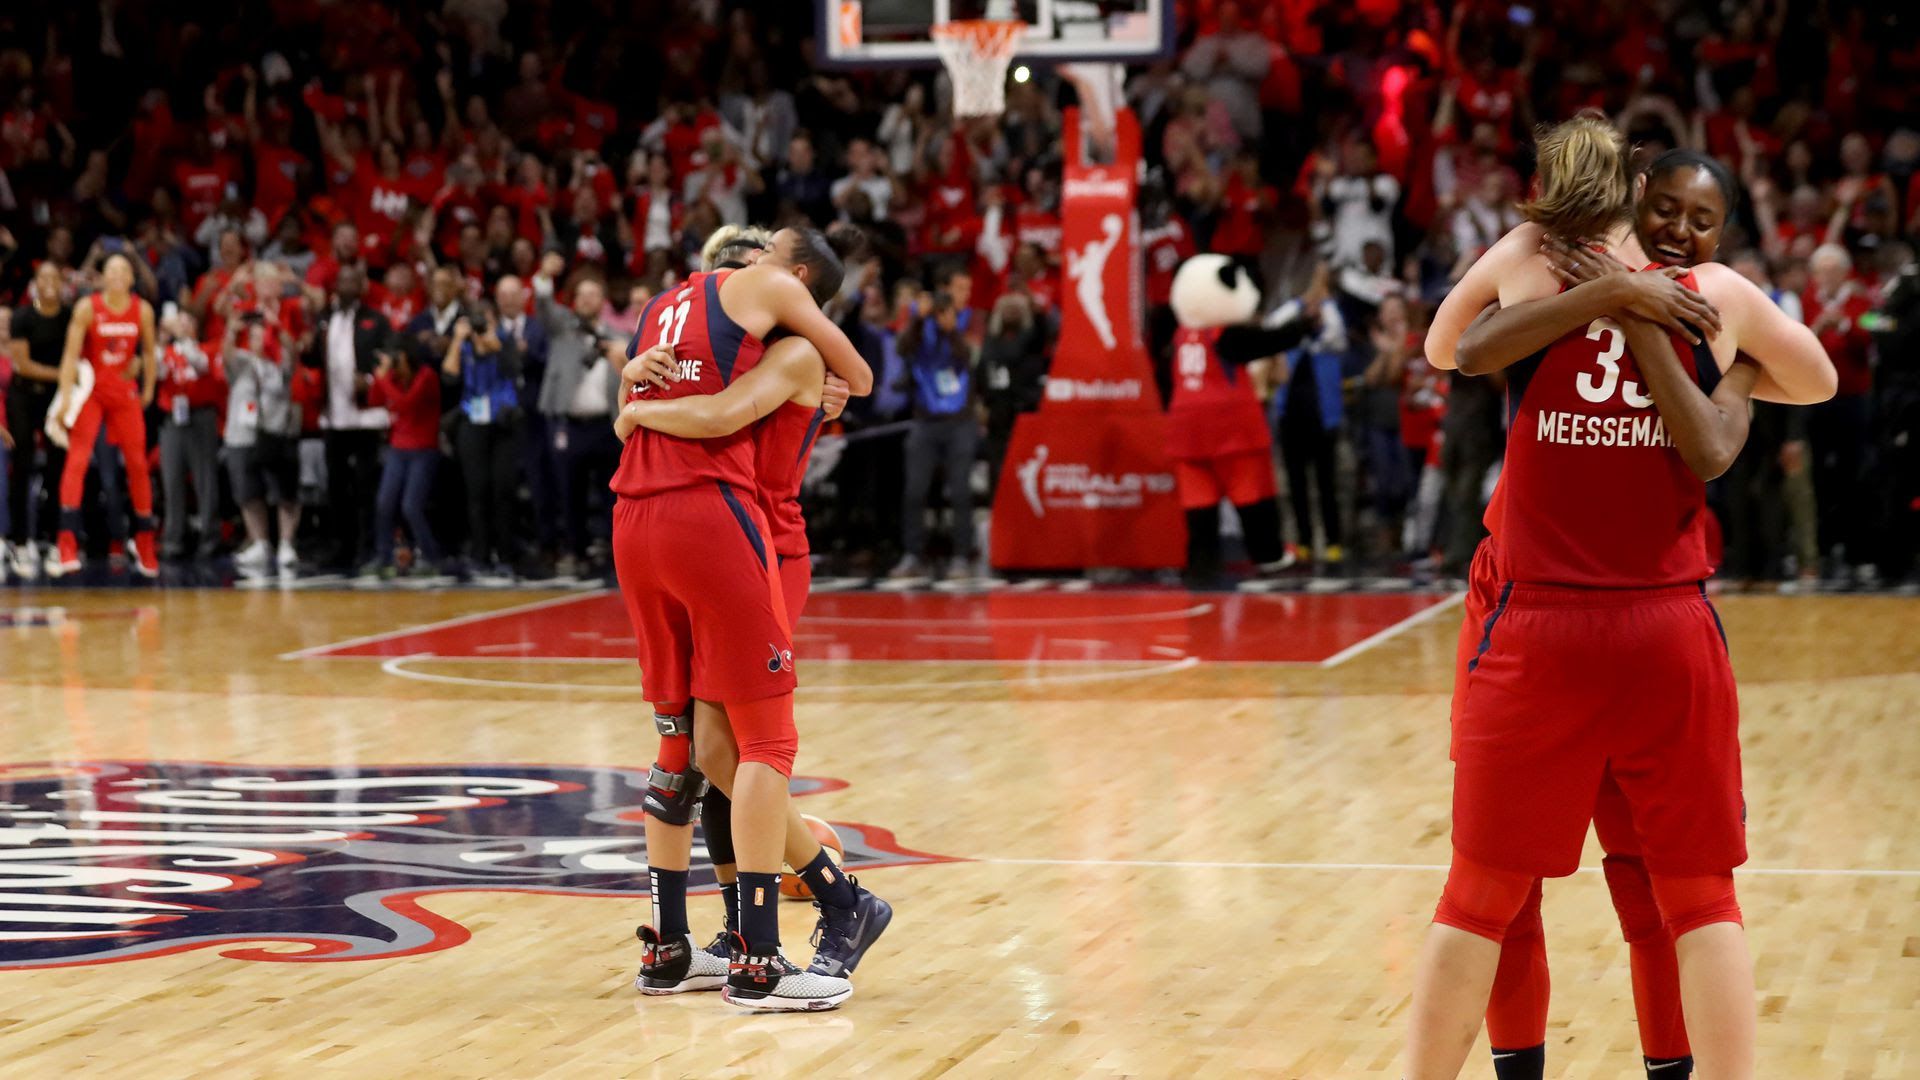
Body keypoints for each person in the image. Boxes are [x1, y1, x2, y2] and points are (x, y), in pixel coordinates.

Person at [1408, 122, 1835, 1080]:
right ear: (1641, 193)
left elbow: (1448, 347)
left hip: (1536, 619)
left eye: (1699, 217)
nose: (1681, 227)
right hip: (1663, 627)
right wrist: (1742, 376)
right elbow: (1821, 377)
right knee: (1693, 896)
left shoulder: (1529, 260)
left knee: (1487, 892)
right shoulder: (1717, 296)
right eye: (1673, 210)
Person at [607, 225, 872, 1011]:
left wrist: (636, 409)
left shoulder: (792, 354)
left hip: (767, 544)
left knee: (734, 746)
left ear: (785, 282)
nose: (733, 277)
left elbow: (726, 414)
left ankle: (795, 912)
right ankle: (760, 921)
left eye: (755, 259)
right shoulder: (720, 334)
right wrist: (633, 384)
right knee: (708, 747)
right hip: (713, 530)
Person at [46, 253, 158, 577]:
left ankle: (145, 540)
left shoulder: (143, 310)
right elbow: (70, 356)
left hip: (124, 394)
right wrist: (66, 398)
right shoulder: (87, 308)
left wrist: (148, 386)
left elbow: (148, 352)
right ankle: (66, 542)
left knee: (137, 464)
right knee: (77, 460)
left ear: (132, 278)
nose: (118, 275)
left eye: (124, 269)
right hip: (93, 393)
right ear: (102, 277)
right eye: (112, 270)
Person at [305, 267, 397, 575]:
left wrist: (370, 380)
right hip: (334, 417)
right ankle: (340, 548)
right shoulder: (325, 319)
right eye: (340, 280)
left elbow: (392, 358)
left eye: (351, 281)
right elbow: (313, 358)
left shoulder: (376, 319)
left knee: (364, 486)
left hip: (367, 417)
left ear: (362, 286)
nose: (344, 285)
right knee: (336, 487)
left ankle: (367, 547)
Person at [890, 287, 980, 581]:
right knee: (914, 491)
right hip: (925, 422)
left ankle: (961, 557)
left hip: (960, 422)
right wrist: (918, 319)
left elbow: (970, 358)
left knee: (960, 492)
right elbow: (902, 348)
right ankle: (912, 555)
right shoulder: (920, 331)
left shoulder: (967, 325)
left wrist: (951, 331)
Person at [222, 309, 302, 579]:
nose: (259, 341)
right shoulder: (242, 363)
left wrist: (278, 328)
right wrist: (232, 331)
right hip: (242, 436)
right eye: (254, 337)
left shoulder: (279, 366)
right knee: (248, 493)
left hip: (274, 434)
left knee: (284, 492)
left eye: (263, 336)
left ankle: (286, 544)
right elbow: (226, 355)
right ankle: (259, 542)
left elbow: (294, 353)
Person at [6, 262, 70, 577]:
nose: (48, 282)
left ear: (62, 283)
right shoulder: (22, 316)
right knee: (23, 463)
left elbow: (78, 354)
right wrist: (62, 374)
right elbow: (23, 364)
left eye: (54, 277)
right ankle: (20, 543)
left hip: (55, 400)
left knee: (60, 465)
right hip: (23, 395)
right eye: (42, 277)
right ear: (35, 283)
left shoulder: (70, 316)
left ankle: (56, 541)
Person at [365, 347, 444, 578]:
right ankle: (384, 556)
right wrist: (381, 380)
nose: (394, 368)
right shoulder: (393, 378)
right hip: (398, 447)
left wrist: (383, 381)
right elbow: (375, 400)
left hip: (423, 449)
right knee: (384, 502)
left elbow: (406, 404)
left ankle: (430, 556)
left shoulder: (426, 376)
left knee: (411, 506)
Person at [154, 310, 224, 561]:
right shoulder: (168, 351)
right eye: (178, 321)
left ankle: (210, 538)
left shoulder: (207, 348)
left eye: (187, 321)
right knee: (171, 480)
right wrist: (161, 340)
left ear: (195, 325)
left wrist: (183, 341)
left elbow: (201, 365)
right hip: (173, 418)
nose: (181, 325)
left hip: (201, 416)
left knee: (205, 479)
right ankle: (173, 540)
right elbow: (158, 372)